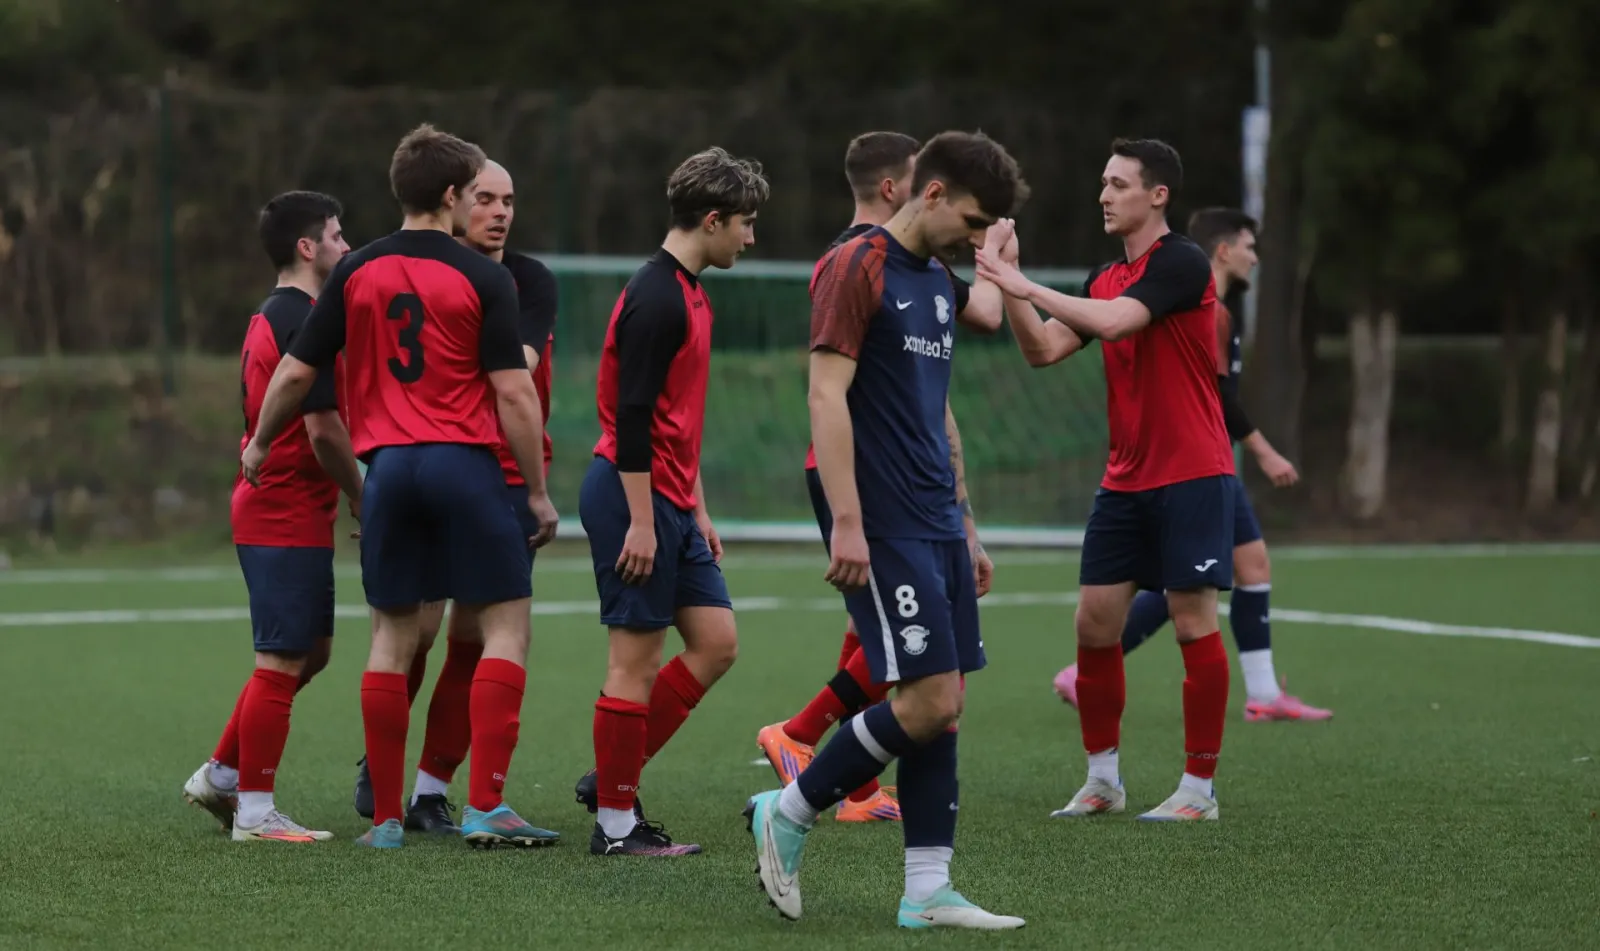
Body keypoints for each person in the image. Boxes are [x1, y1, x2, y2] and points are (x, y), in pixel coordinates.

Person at [242, 124, 558, 850]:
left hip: (386, 472)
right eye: (474, 192)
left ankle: (386, 819)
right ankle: (485, 805)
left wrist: (259, 440)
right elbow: (514, 392)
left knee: (390, 638)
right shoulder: (484, 276)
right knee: (505, 625)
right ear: (450, 195)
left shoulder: (357, 270)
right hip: (463, 466)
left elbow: (296, 371)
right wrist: (538, 492)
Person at [745, 131, 1026, 930]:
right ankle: (788, 810)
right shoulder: (856, 264)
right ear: (930, 193)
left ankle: (927, 889)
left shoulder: (936, 276)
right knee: (927, 697)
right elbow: (825, 396)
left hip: (934, 511)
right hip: (881, 512)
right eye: (972, 221)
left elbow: (938, 405)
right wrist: (847, 521)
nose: (976, 239)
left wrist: (966, 522)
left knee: (945, 700)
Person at [976, 137, 1235, 823]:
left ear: (1158, 195)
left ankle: (1198, 789)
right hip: (1125, 479)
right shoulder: (1103, 276)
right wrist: (1011, 276)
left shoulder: (1181, 261)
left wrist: (1021, 285)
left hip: (1192, 472)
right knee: (1093, 623)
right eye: (1103, 183)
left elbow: (1120, 324)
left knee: (1192, 621)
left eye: (1119, 184)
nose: (1104, 195)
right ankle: (1102, 781)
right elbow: (1043, 349)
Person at [350, 159, 562, 836]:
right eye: (485, 199)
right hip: (448, 461)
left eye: (509, 200)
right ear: (454, 200)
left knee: (472, 636)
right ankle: (384, 768)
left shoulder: (525, 279)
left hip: (496, 470)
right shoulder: (425, 273)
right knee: (417, 631)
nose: (499, 212)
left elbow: (518, 367)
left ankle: (429, 790)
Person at [1052, 208, 1331, 722]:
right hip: (1194, 465)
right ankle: (1087, 670)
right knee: (1190, 583)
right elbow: (1217, 396)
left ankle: (1263, 692)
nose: (1254, 257)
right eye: (1248, 246)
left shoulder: (1209, 306)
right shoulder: (1206, 310)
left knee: (1242, 567)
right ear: (1222, 251)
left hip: (1199, 463)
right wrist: (1265, 451)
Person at [573, 147, 768, 857]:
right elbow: (630, 418)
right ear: (712, 220)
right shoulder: (657, 296)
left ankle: (610, 780)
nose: (751, 238)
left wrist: (697, 507)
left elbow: (674, 420)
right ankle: (616, 827)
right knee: (635, 661)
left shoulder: (691, 291)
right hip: (634, 497)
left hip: (671, 500)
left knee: (716, 643)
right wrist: (644, 520)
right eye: (745, 223)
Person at [182, 190, 359, 843]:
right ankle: (255, 811)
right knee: (282, 657)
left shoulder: (281, 312)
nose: (346, 246)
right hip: (280, 509)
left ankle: (223, 775)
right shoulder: (302, 320)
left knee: (311, 652)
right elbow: (323, 429)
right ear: (307, 248)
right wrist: (363, 494)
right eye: (336, 235)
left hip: (295, 508)